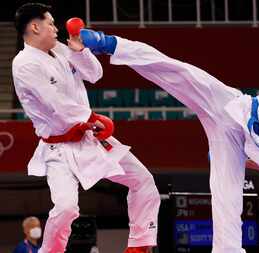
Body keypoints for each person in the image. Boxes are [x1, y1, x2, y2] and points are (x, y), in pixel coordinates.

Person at [79, 29, 259, 253]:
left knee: (229, 199)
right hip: (232, 106)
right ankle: (111, 44)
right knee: (179, 72)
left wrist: (247, 162)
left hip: (238, 144)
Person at [12, 4, 160, 253]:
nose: (55, 28)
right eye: (50, 23)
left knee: (143, 180)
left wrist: (80, 52)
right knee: (67, 208)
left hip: (90, 138)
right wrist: (92, 118)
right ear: (35, 27)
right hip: (59, 147)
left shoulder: (60, 49)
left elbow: (95, 74)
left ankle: (139, 245)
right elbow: (55, 106)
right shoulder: (24, 63)